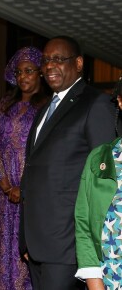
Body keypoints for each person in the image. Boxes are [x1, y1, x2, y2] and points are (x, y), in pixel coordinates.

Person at [19, 35, 119, 290]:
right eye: (45, 60)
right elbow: (32, 174)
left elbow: (104, 183)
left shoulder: (96, 104)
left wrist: (94, 254)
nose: (49, 65)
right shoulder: (44, 109)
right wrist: (25, 240)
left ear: (78, 63)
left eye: (58, 59)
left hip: (68, 244)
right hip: (37, 240)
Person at [0, 46, 49, 290]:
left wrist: (23, 188)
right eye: (19, 71)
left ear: (40, 73)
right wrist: (5, 186)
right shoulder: (5, 104)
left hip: (33, 193)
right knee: (5, 247)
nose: (23, 76)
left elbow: (47, 152)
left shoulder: (47, 105)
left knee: (29, 246)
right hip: (5, 195)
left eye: (29, 71)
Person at [74, 90, 122, 290]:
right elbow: (84, 223)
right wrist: (95, 282)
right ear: (120, 101)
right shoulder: (100, 158)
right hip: (111, 279)